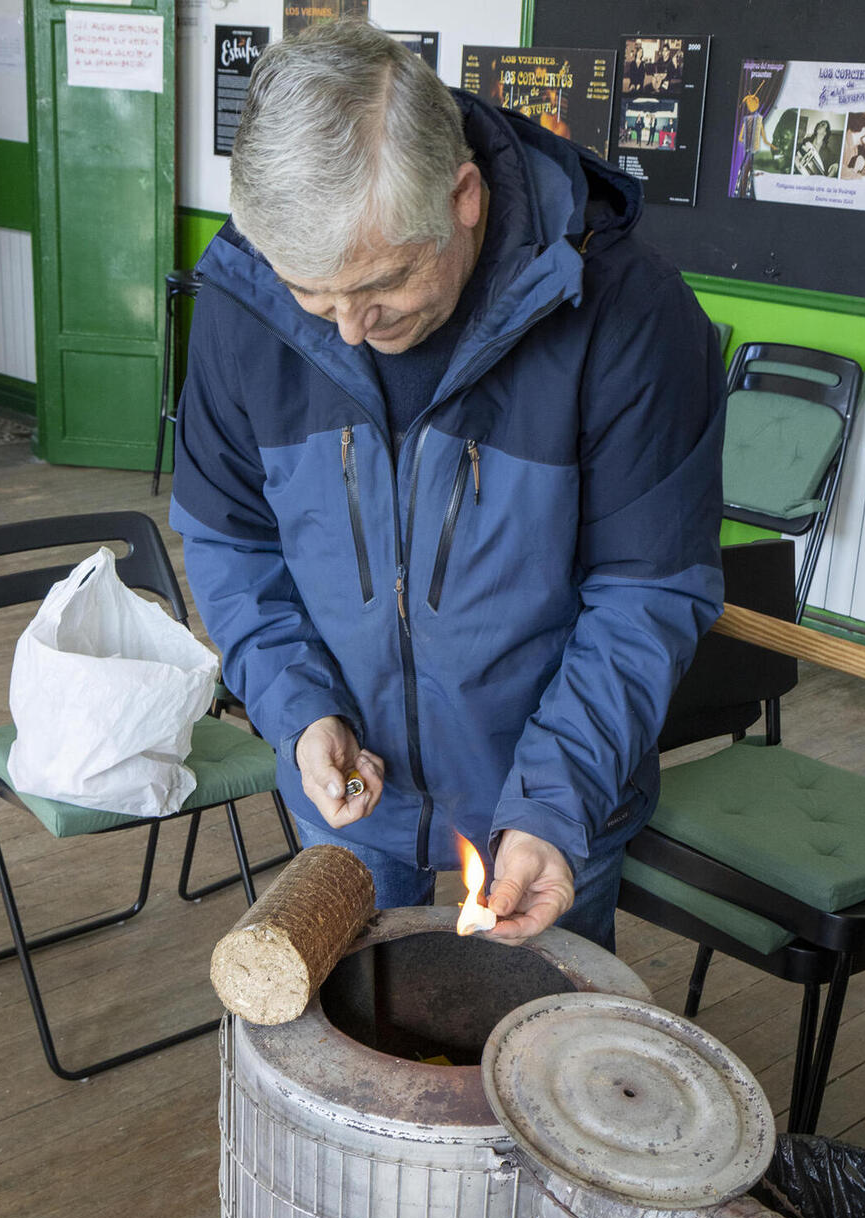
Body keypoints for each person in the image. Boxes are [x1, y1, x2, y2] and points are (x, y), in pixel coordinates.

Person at [171, 20, 724, 949]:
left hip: (550, 798)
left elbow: (645, 592)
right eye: (315, 295)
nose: (346, 333)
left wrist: (555, 799)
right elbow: (233, 543)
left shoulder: (631, 317)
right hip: (346, 797)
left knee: (531, 1054)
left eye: (381, 285)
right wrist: (300, 711)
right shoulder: (246, 301)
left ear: (464, 196)